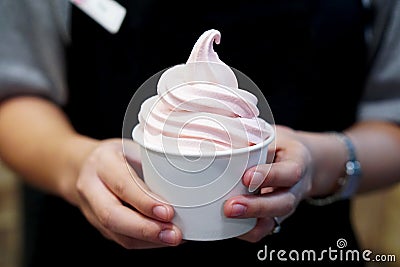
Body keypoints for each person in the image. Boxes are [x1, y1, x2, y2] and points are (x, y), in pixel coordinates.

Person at [0, 0, 399, 266]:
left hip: (305, 247)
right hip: (83, 244)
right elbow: (14, 94)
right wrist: (74, 163)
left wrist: (321, 161)